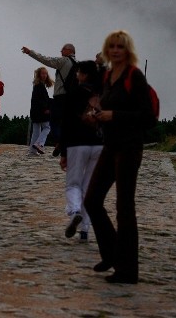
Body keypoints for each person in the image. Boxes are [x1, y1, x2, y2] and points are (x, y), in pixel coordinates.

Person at [84, 30, 155, 284]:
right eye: (112, 46)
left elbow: (148, 117)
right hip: (110, 145)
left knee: (124, 208)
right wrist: (98, 114)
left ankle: (127, 271)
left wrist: (114, 116)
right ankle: (114, 254)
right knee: (92, 200)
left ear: (128, 50)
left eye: (120, 47)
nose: (115, 50)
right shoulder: (107, 76)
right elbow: (106, 104)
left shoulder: (134, 76)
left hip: (129, 147)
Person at [59, 60, 104, 244]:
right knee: (89, 187)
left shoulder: (74, 93)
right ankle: (85, 230)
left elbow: (66, 124)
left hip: (77, 143)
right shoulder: (102, 94)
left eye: (78, 73)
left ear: (84, 75)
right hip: (99, 145)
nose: (76, 76)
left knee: (73, 184)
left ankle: (75, 211)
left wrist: (63, 152)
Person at [21, 43, 76, 156]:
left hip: (60, 97)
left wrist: (30, 52)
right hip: (71, 98)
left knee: (52, 123)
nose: (61, 52)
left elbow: (46, 60)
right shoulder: (77, 64)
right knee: (65, 123)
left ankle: (57, 143)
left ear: (69, 50)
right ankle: (62, 146)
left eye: (62, 50)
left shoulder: (64, 61)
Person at [28, 66, 53, 156]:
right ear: (39, 74)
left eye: (46, 73)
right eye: (43, 73)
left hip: (35, 112)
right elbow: (42, 100)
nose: (45, 75)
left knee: (36, 131)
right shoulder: (40, 86)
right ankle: (39, 144)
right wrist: (47, 108)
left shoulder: (37, 85)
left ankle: (32, 151)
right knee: (47, 127)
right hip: (41, 112)